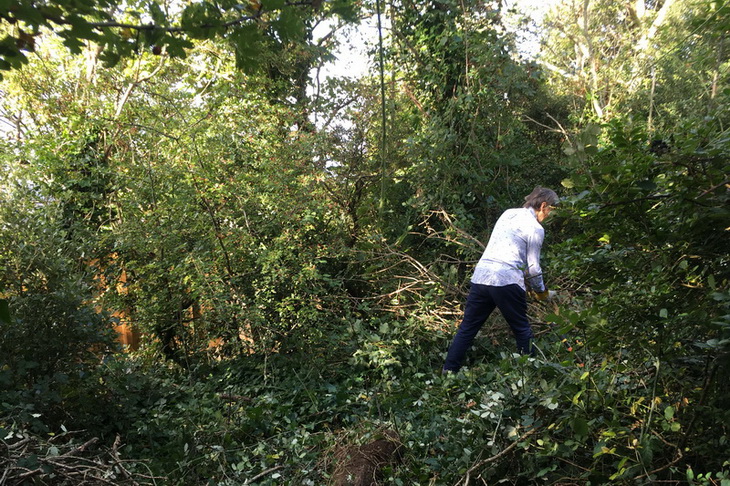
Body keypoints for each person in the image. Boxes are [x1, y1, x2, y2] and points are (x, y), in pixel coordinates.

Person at [442, 186, 559, 372]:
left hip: (482, 277)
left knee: (467, 328)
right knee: (522, 329)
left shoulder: (508, 213)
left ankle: (448, 372)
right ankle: (530, 375)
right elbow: (533, 267)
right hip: (506, 280)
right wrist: (541, 292)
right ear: (543, 206)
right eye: (551, 210)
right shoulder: (536, 228)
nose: (550, 215)